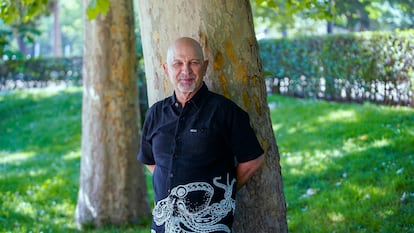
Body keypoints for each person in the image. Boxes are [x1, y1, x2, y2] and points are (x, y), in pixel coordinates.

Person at [138, 37, 264, 233]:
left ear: (205, 67)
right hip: (162, 227)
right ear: (165, 69)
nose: (186, 71)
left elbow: (253, 160)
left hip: (211, 227)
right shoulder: (155, 113)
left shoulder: (225, 111)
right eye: (177, 63)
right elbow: (150, 160)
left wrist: (224, 192)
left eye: (194, 63)